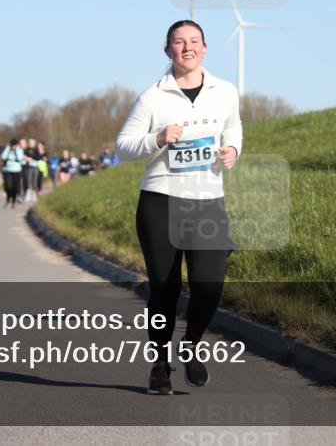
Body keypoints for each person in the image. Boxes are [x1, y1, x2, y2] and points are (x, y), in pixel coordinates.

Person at [115, 20, 241, 395]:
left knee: (208, 284)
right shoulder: (153, 96)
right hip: (161, 201)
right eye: (178, 42)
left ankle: (192, 343)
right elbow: (123, 146)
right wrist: (157, 138)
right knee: (164, 289)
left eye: (193, 41)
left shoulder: (225, 92)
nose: (187, 47)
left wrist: (233, 150)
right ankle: (159, 365)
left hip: (208, 202)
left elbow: (233, 129)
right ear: (167, 50)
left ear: (205, 47)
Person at [0, 138, 24, 208]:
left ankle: (13, 200)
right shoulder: (7, 150)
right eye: (12, 145)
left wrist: (16, 150)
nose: (13, 147)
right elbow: (3, 157)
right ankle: (8, 198)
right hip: (7, 170)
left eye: (15, 145)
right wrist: (8, 148)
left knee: (15, 186)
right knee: (8, 186)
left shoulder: (19, 150)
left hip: (17, 170)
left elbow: (20, 158)